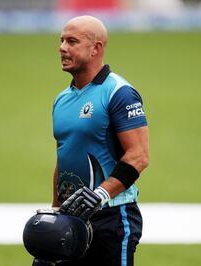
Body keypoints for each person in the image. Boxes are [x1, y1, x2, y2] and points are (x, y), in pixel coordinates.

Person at [49, 15, 149, 266]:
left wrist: (101, 194)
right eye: (61, 41)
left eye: (72, 41)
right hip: (71, 218)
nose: (62, 47)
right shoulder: (61, 99)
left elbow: (138, 156)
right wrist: (55, 210)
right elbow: (64, 156)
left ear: (96, 48)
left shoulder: (119, 93)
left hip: (112, 217)